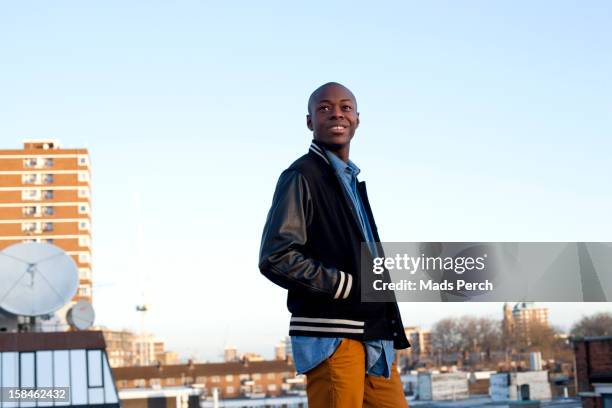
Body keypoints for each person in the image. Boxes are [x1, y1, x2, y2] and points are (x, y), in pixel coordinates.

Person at [259, 82, 410, 407]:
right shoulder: (301, 175)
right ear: (310, 121)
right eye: (324, 108)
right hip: (333, 335)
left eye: (345, 107)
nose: (336, 114)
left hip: (375, 335)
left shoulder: (350, 181)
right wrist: (344, 285)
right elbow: (276, 255)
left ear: (357, 118)